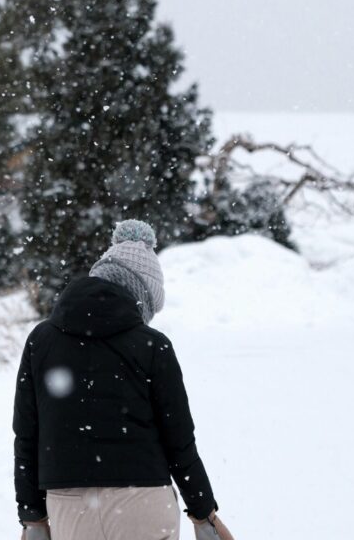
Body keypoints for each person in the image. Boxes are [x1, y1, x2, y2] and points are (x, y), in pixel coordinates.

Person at [14, 220, 234, 540]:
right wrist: (204, 514)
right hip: (144, 504)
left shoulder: (41, 340)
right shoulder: (152, 345)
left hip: (70, 508)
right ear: (140, 299)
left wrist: (32, 517)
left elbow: (27, 436)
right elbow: (180, 441)